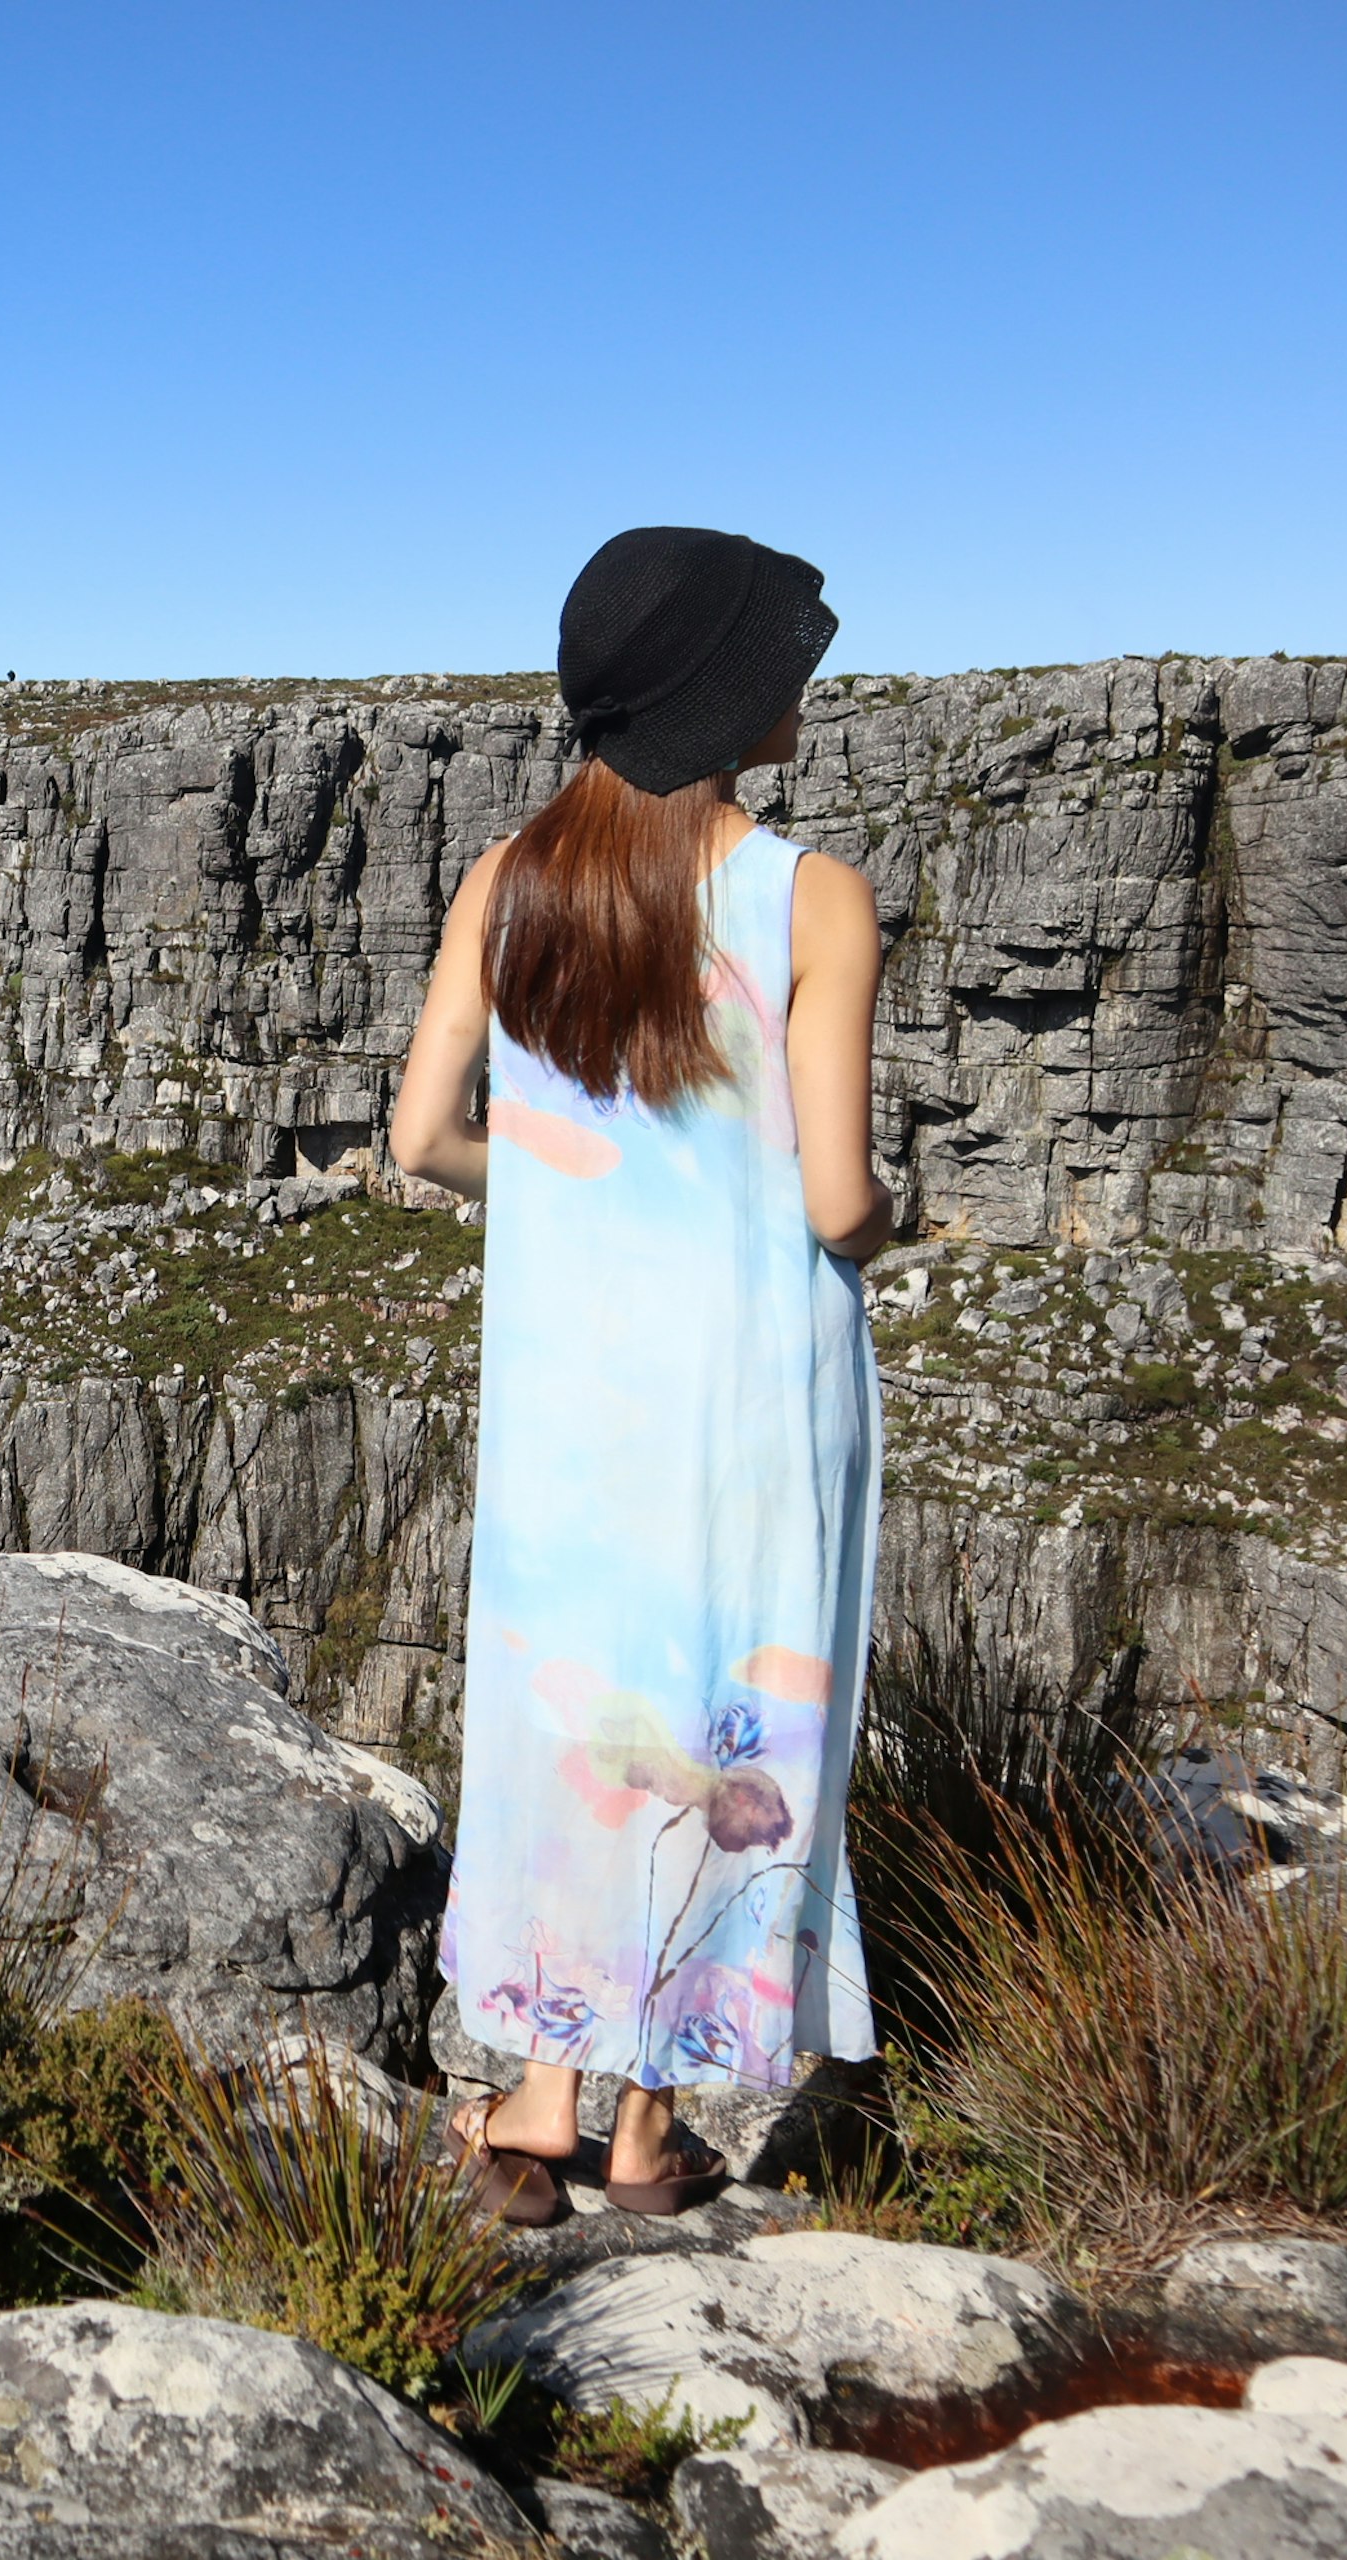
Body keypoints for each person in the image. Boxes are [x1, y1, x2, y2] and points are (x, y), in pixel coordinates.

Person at [384, 527, 893, 2224]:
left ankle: (534, 2097)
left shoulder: (505, 882)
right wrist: (903, 1226)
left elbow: (420, 1139)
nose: (802, 684)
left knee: (573, 1714)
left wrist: (556, 1188)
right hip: (743, 1405)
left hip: (566, 1409)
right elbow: (836, 1198)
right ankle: (648, 2134)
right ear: (723, 695)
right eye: (780, 661)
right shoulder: (810, 895)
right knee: (707, 1715)